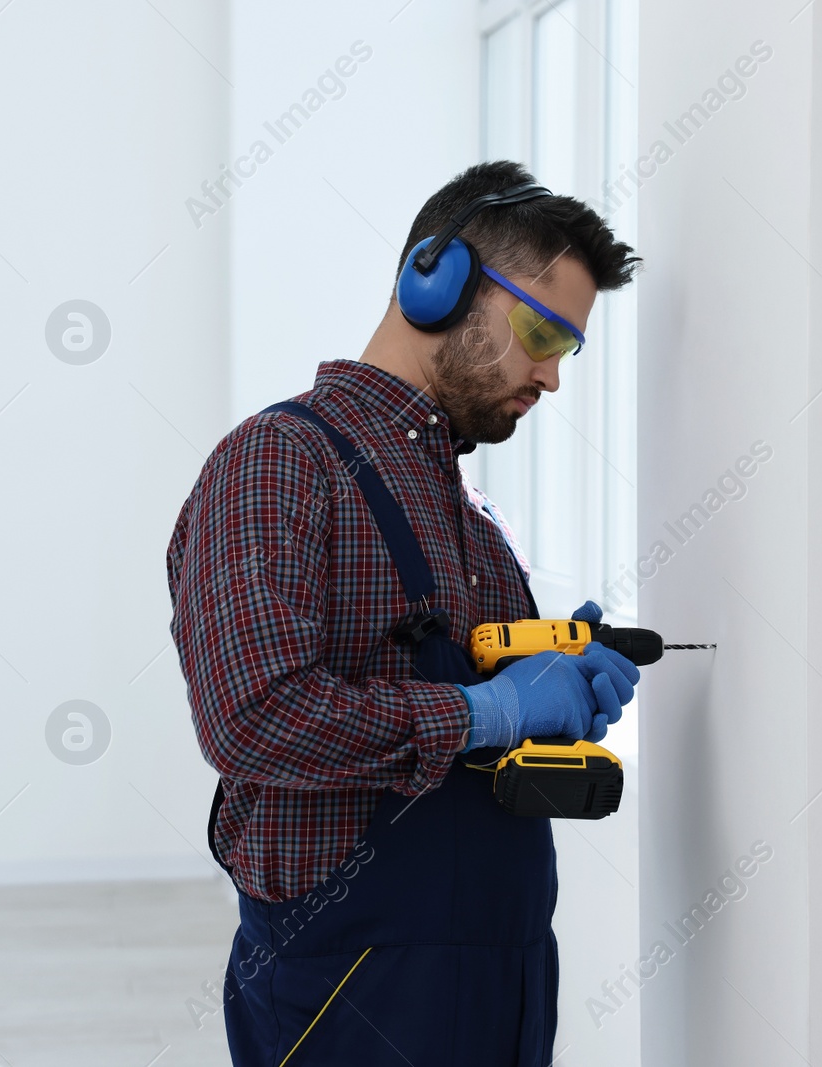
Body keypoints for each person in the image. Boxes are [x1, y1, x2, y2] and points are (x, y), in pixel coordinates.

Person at [166, 160, 643, 1066]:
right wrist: (490, 709)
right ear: (438, 279)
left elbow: (466, 738)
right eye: (540, 331)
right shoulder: (277, 462)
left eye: (566, 348)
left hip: (505, 974)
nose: (550, 377)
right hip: (353, 989)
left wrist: (553, 697)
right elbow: (253, 715)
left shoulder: (472, 518)